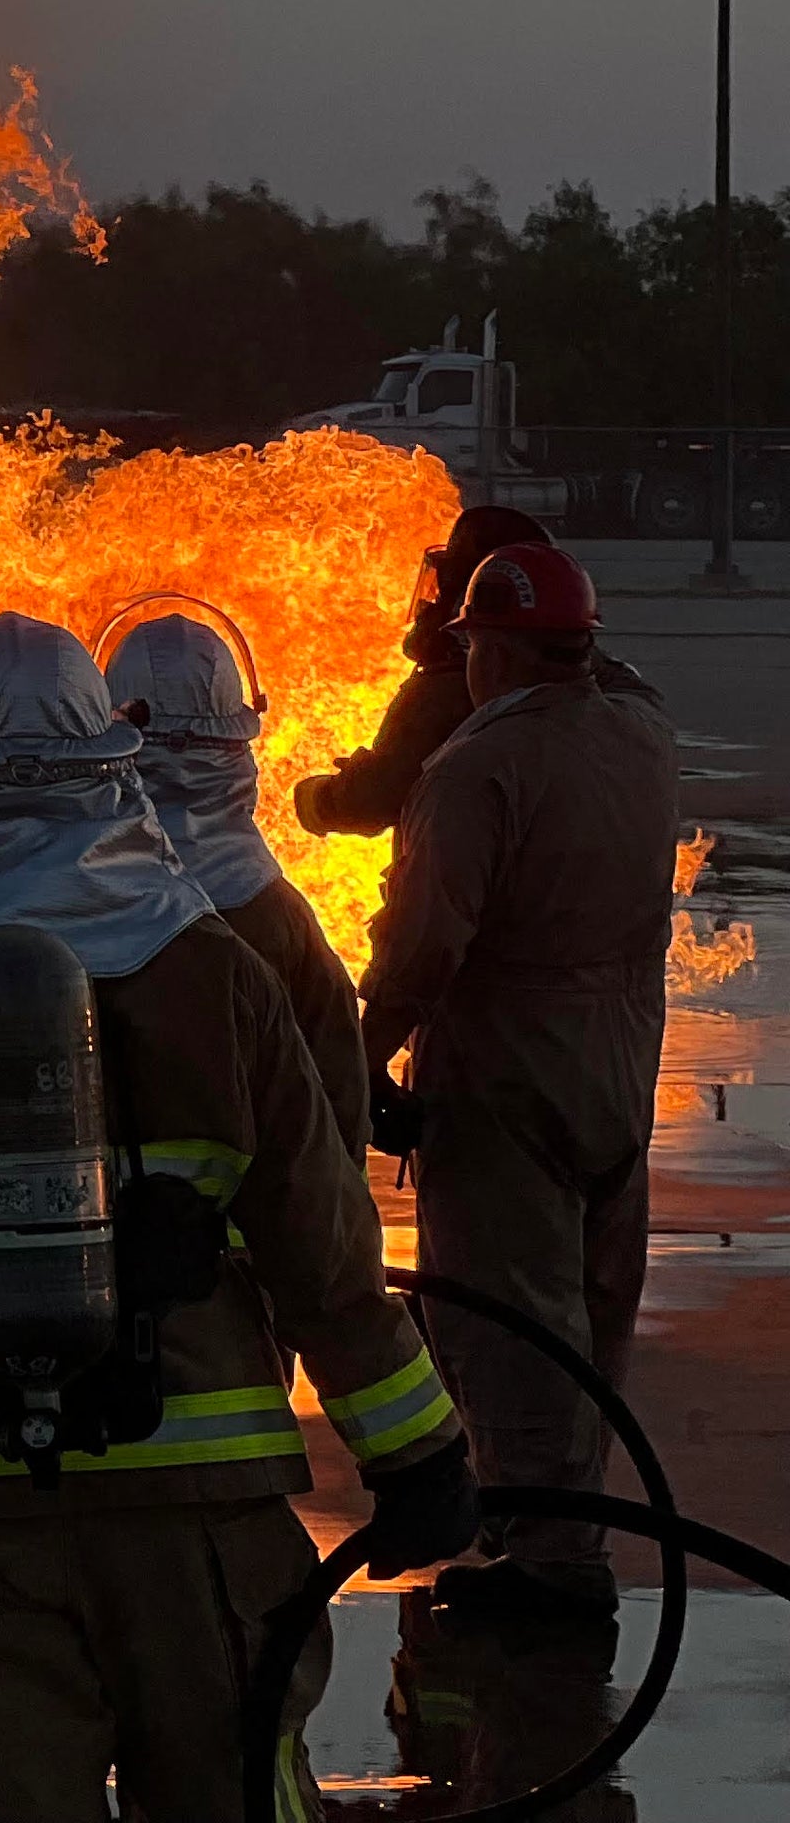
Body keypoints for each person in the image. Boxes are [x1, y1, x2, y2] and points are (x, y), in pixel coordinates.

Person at [0, 613, 476, 1823]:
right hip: (195, 1498)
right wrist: (417, 1451)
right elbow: (321, 1242)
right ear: (113, 767)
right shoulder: (216, 973)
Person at [361, 540, 681, 1624]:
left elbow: (423, 948)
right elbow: (603, 673)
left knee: (509, 1319)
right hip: (620, 1058)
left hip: (507, 1065)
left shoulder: (477, 770)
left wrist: (361, 1055)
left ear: (490, 651)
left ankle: (551, 1564)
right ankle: (548, 1517)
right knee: (591, 1306)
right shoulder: (641, 733)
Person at [106, 607, 372, 1159]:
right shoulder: (280, 920)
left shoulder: (78, 904)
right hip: (267, 1209)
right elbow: (340, 1108)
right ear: (237, 751)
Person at [295, 502, 554, 840]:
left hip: (468, 864)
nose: (434, 602)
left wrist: (317, 799)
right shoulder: (579, 678)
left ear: (470, 597)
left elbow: (379, 793)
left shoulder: (458, 684)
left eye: (444, 588)